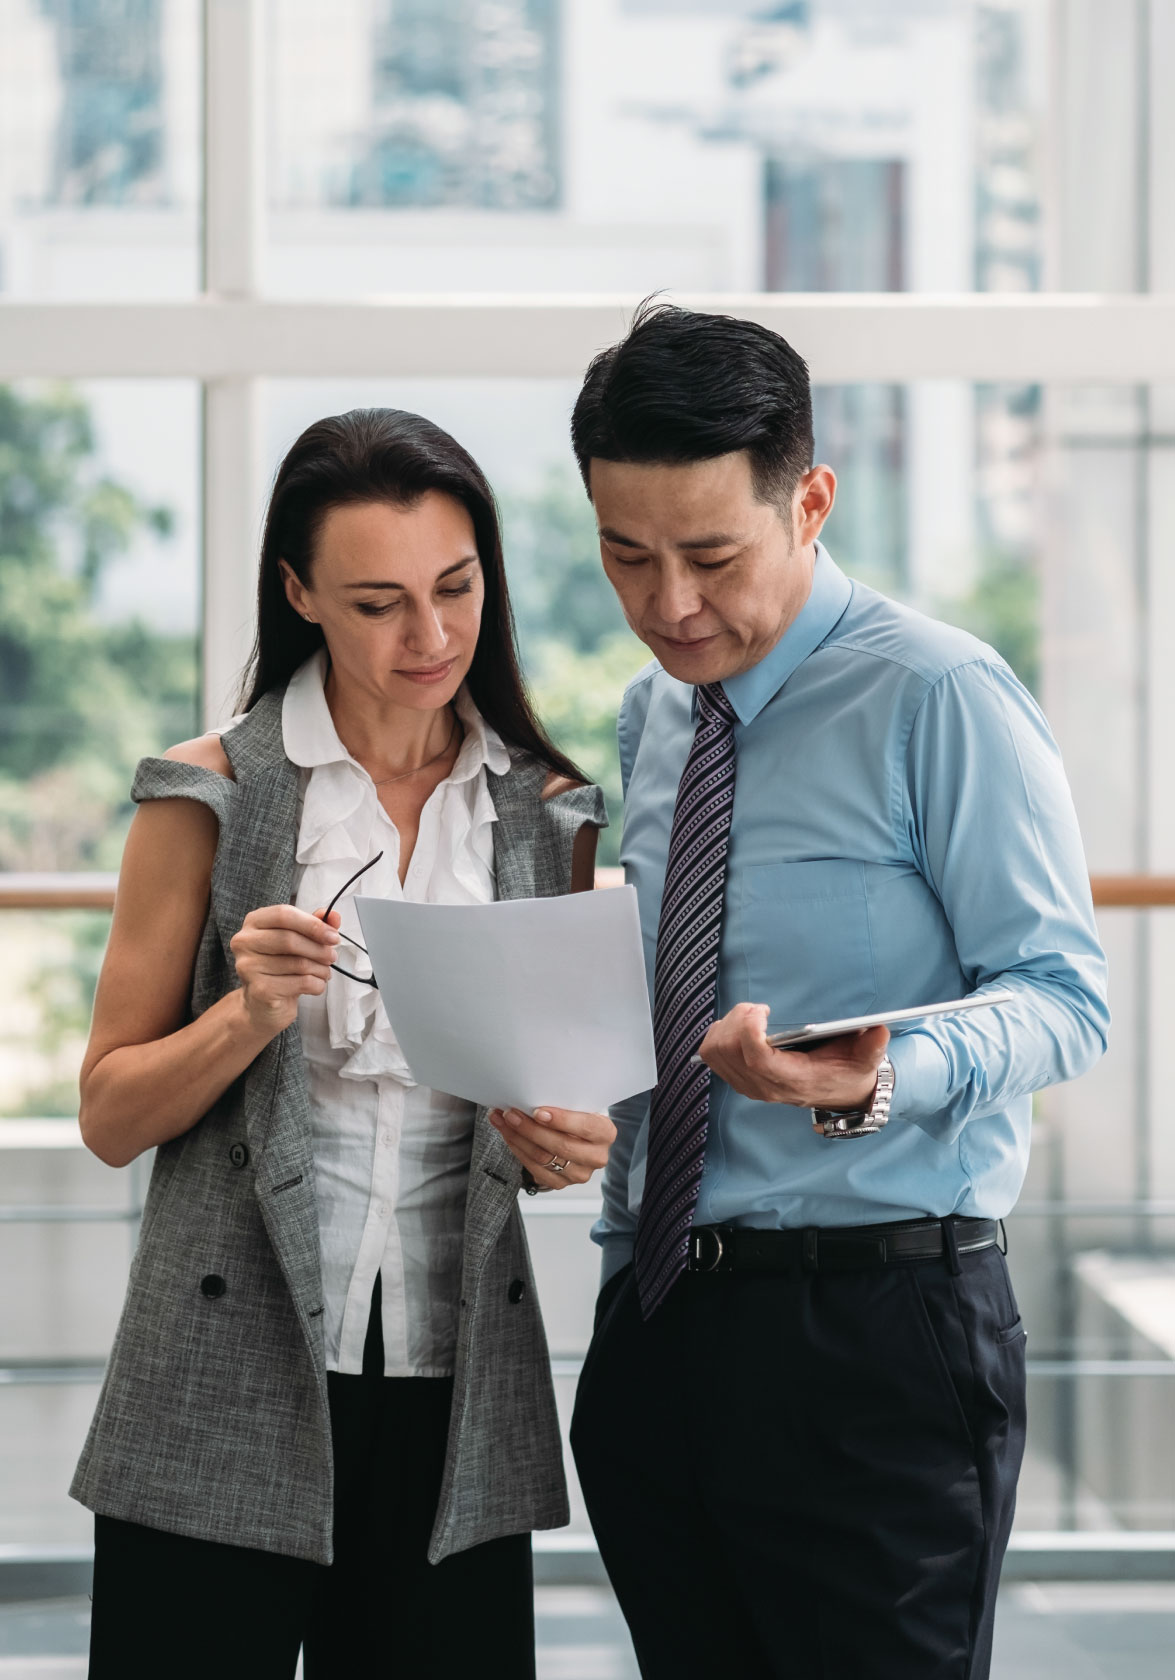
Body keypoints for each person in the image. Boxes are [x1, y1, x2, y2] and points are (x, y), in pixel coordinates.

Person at [568, 303, 1110, 1680]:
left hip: (872, 1336)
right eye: (625, 556)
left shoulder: (938, 694)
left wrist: (876, 1074)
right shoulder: (654, 716)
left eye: (709, 555)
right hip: (657, 1320)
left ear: (808, 501)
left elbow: (1062, 995)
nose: (668, 605)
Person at [72, 408, 615, 1680]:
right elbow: (107, 1117)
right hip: (223, 1377)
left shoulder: (548, 815)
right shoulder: (207, 794)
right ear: (299, 591)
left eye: (456, 588)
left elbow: (565, 1131)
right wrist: (245, 1012)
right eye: (377, 603)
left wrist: (566, 1146)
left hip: (455, 1386)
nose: (428, 639)